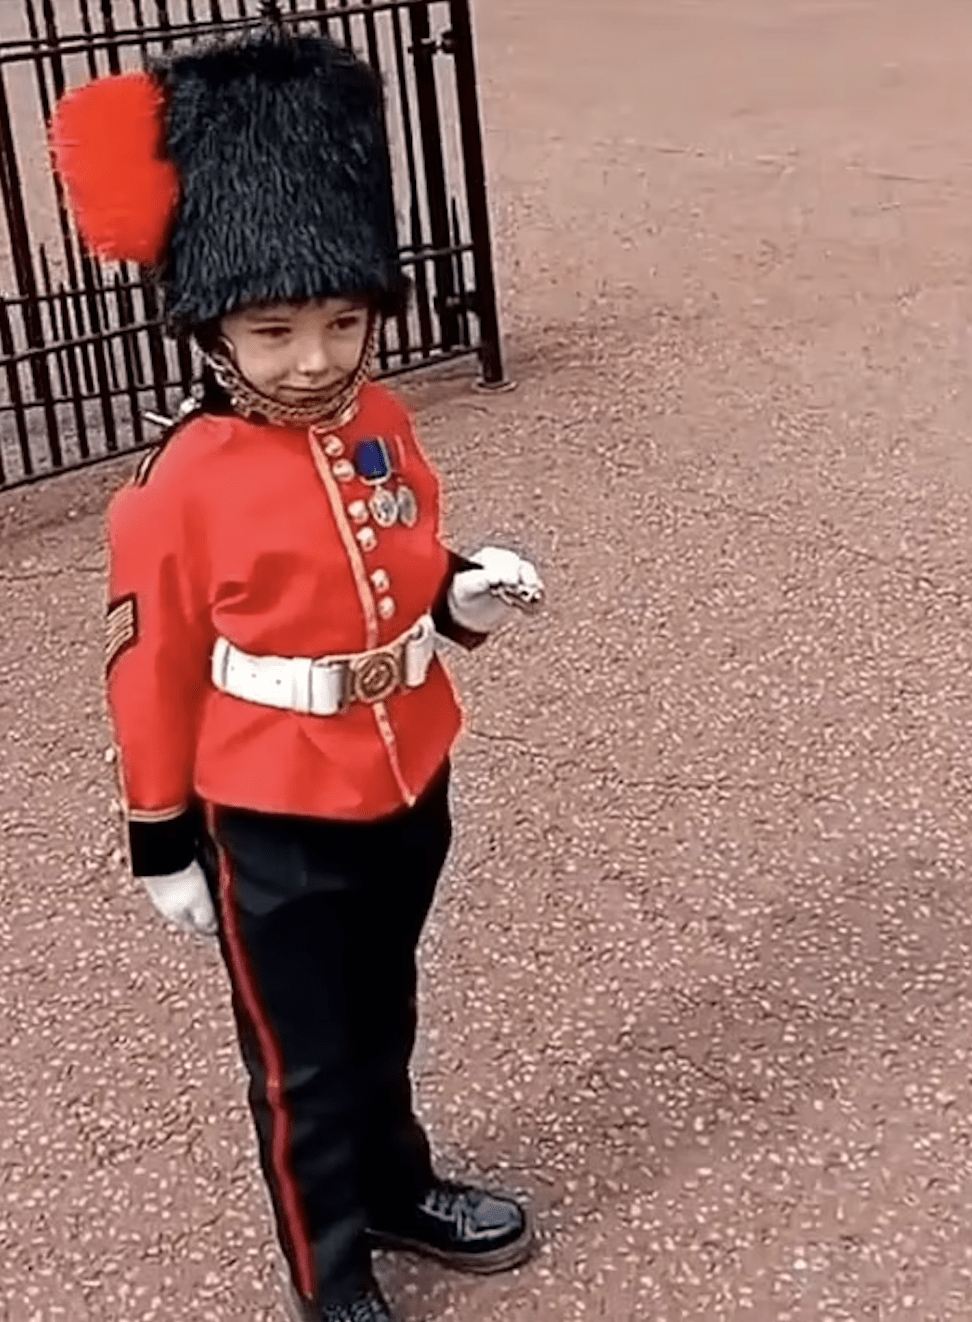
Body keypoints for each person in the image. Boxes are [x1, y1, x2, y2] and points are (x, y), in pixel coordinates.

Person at [51, 25, 543, 1322]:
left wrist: (459, 596)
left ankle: (397, 1186)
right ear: (215, 326)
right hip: (268, 807)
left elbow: (401, 557)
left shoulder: (380, 421)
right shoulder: (177, 488)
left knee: (383, 1008)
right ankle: (330, 1274)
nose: (315, 358)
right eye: (273, 329)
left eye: (341, 322)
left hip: (405, 767)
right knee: (302, 1061)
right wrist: (162, 839)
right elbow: (151, 670)